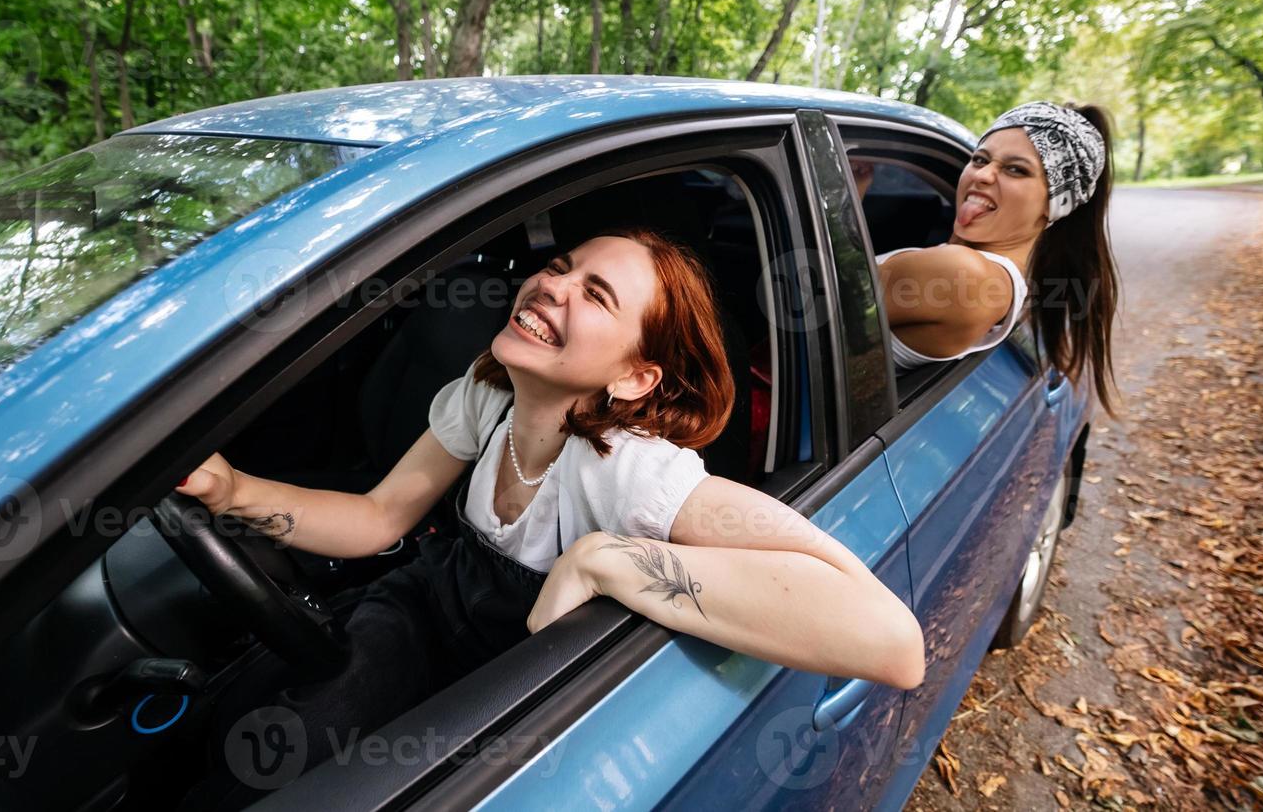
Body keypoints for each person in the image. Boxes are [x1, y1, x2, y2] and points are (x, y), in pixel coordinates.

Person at [173, 225, 925, 810]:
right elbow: (377, 519)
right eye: (560, 267)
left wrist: (610, 559)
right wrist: (232, 490)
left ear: (635, 377)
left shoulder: (630, 471)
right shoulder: (488, 391)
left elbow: (893, 643)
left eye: (596, 295)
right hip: (411, 622)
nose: (550, 287)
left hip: (500, 695)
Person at [853, 100, 1120, 417]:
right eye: (980, 159)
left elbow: (816, 299)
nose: (983, 175)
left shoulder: (965, 275)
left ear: (1055, 204)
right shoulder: (986, 274)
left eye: (1015, 169)